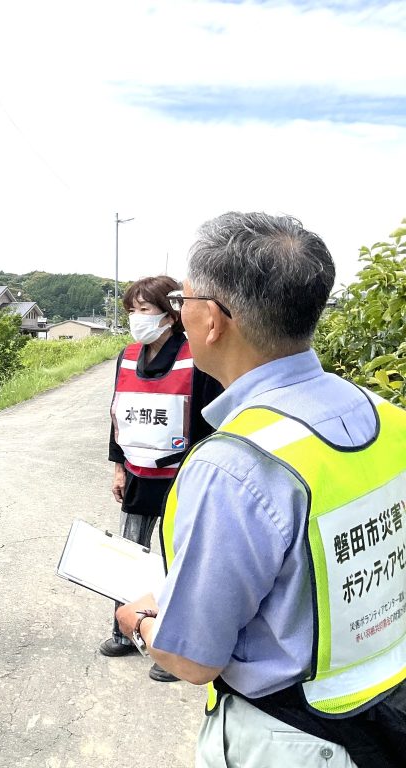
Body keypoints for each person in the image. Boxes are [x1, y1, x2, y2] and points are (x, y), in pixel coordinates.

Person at [117, 212, 406, 767]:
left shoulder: (235, 466)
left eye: (183, 298)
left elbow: (192, 659)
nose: (179, 310)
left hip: (289, 740)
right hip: (383, 717)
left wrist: (139, 621)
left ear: (213, 319)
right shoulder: (386, 416)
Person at [101, 275, 222, 683]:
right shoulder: (128, 355)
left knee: (177, 560)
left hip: (181, 475)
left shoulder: (195, 358)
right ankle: (123, 628)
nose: (137, 318)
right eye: (132, 310)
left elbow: (210, 422)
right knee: (129, 554)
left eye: (145, 310)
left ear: (169, 315)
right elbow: (118, 413)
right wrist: (118, 464)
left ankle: (170, 645)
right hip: (138, 471)